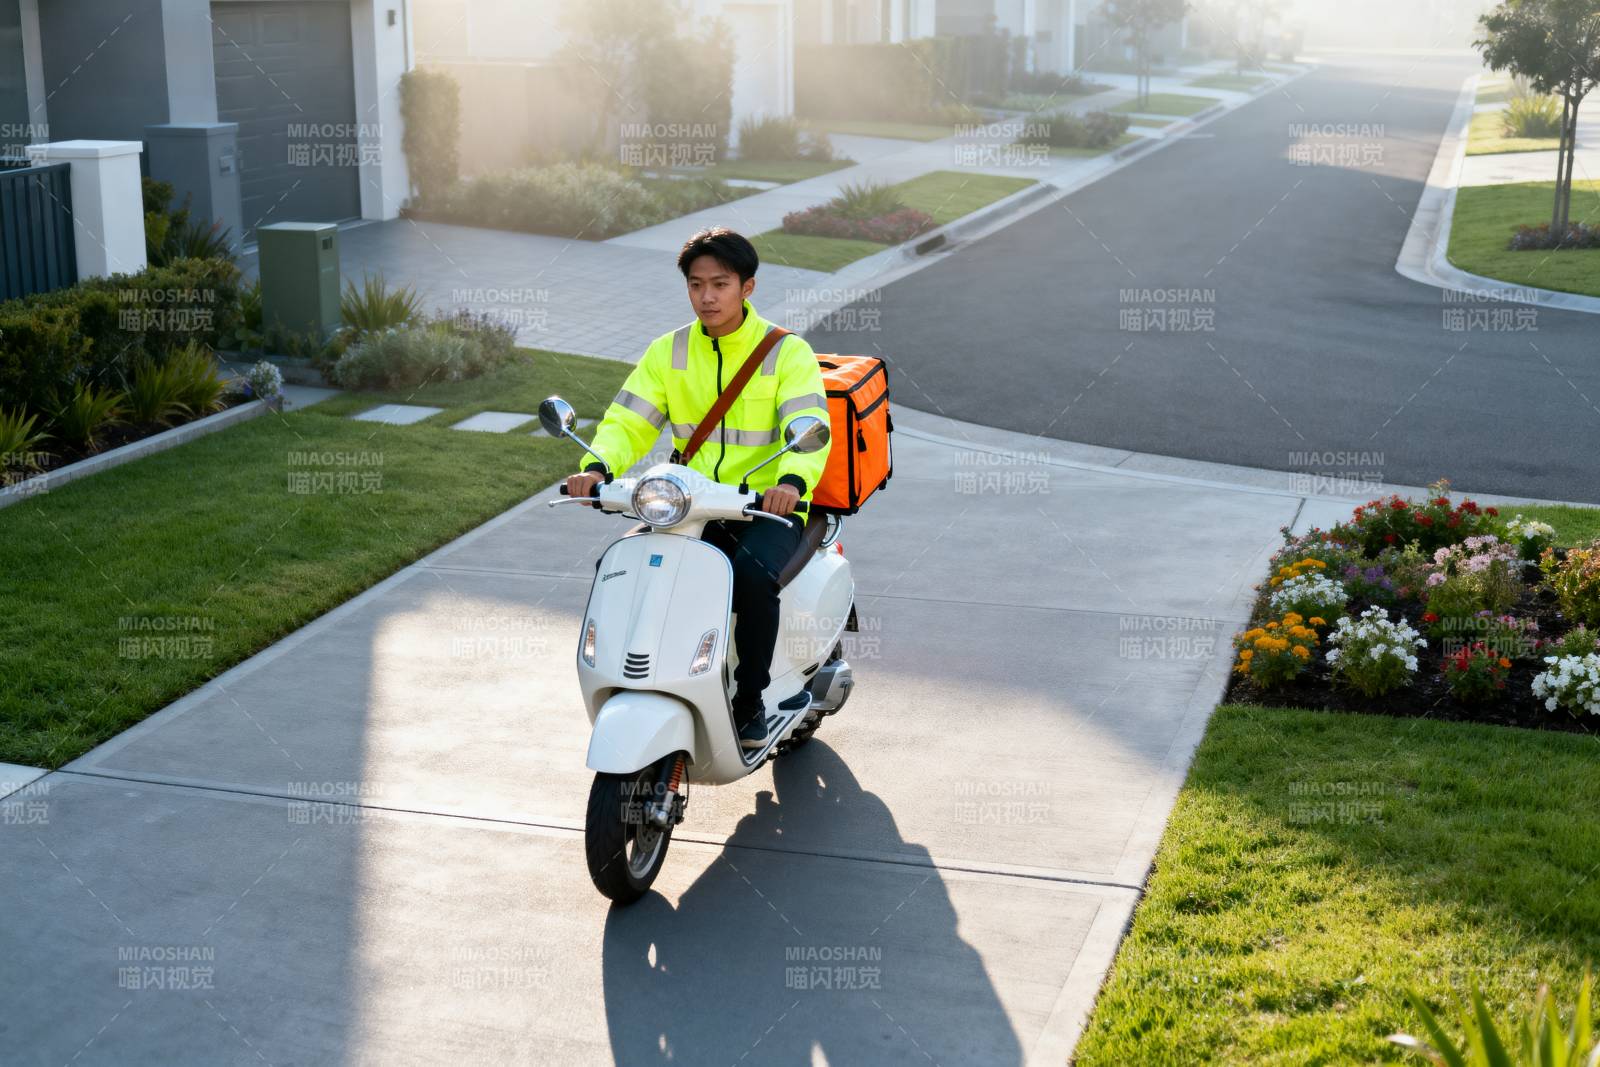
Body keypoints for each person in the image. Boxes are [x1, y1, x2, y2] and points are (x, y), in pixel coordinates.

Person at [564, 228, 832, 750]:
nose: (707, 296)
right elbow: (629, 420)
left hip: (763, 507)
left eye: (720, 284)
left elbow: (808, 423)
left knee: (752, 581)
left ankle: (749, 700)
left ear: (747, 287)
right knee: (619, 567)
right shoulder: (668, 351)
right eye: (695, 285)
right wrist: (596, 467)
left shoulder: (786, 352)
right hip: (687, 504)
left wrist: (792, 482)